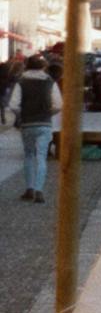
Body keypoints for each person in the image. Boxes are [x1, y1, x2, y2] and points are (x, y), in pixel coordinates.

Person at [7, 55, 61, 204]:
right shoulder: (50, 82)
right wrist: (48, 113)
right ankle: (39, 190)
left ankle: (29, 188)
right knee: (42, 156)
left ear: (27, 66)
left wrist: (22, 114)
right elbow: (58, 104)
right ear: (43, 67)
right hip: (44, 123)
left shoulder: (21, 82)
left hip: (28, 124)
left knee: (29, 154)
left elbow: (13, 104)